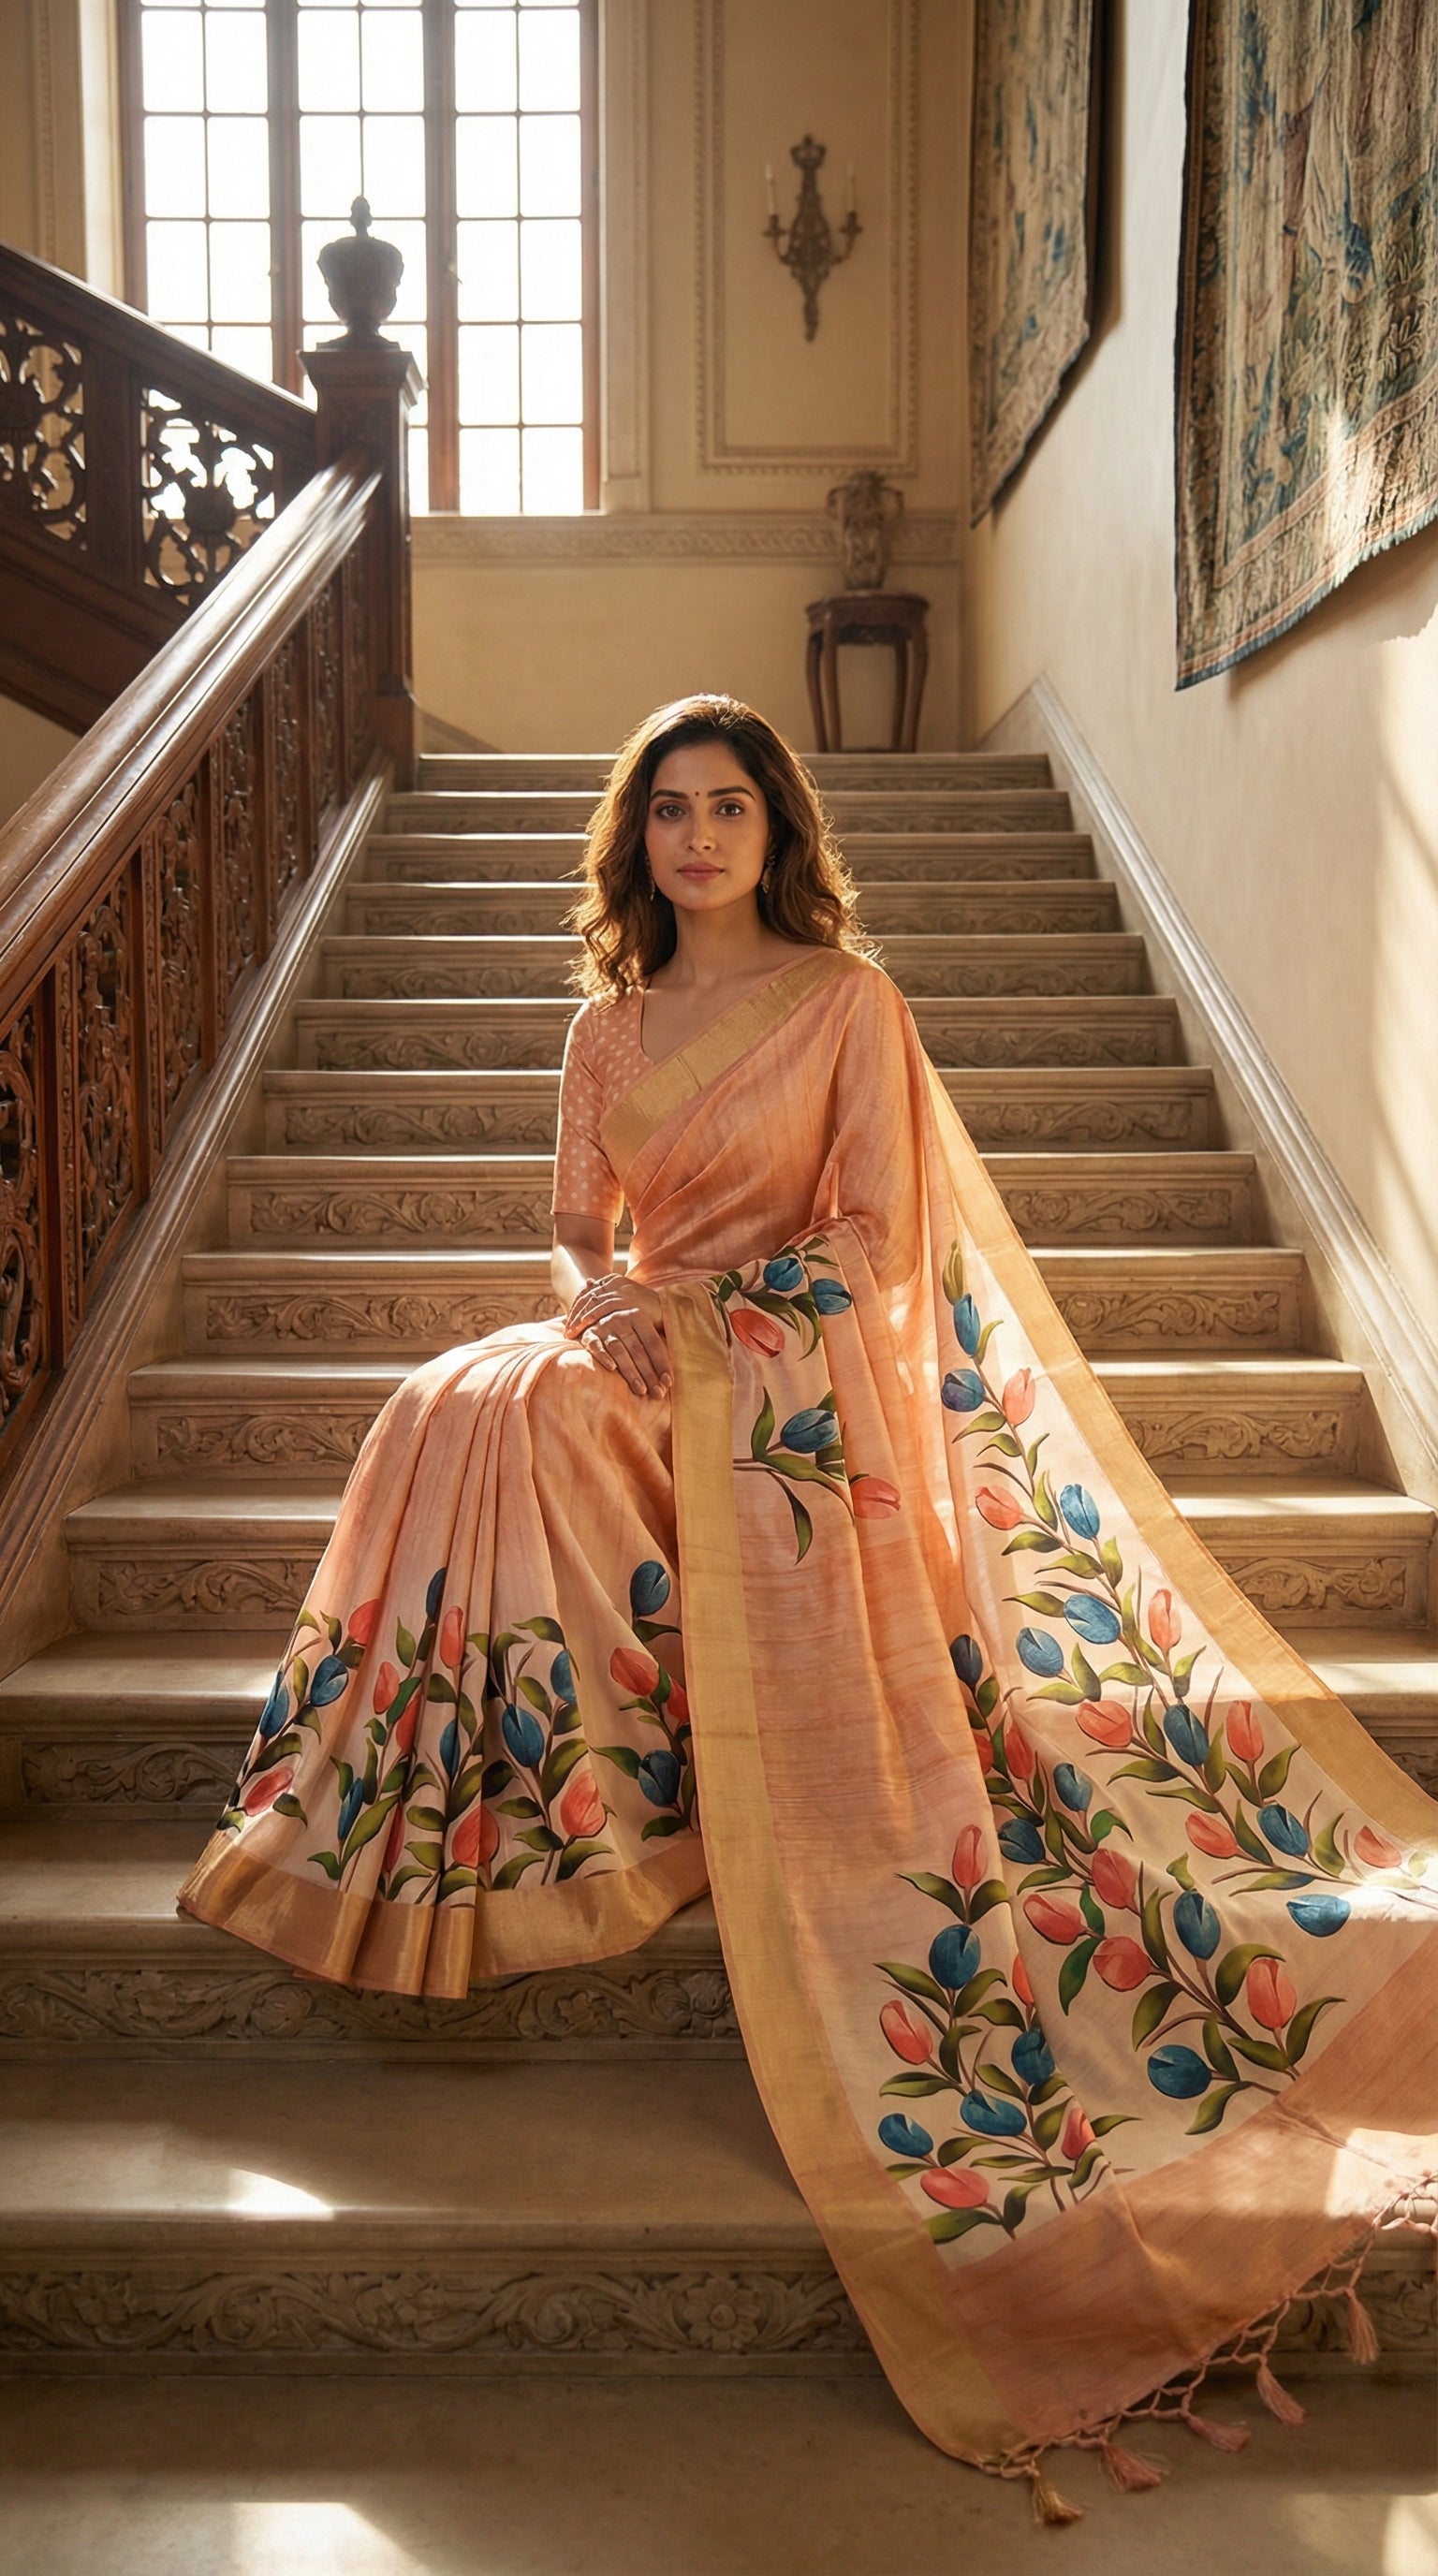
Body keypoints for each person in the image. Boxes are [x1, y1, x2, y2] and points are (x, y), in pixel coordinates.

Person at [179, 695, 1437, 2510]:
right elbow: (568, 1227)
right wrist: (595, 1296)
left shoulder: (849, 1003)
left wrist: (697, 1319)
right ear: (639, 842)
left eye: (730, 807)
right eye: (670, 811)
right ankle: (522, 1809)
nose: (699, 837)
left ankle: (641, 1785)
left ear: (777, 831)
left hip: (778, 1363)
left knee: (533, 1410)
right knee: (455, 1400)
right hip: (647, 1342)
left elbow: (872, 1237)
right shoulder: (605, 1026)